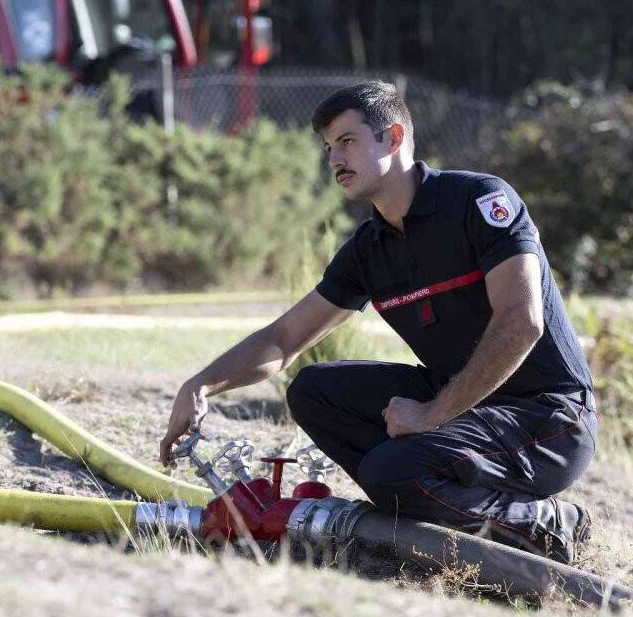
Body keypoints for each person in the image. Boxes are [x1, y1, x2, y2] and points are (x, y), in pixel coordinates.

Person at [159, 81, 598, 563]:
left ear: (392, 137)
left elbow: (522, 322)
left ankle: (541, 521)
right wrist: (201, 384)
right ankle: (425, 503)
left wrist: (431, 415)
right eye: (328, 148)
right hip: (464, 407)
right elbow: (284, 339)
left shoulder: (478, 202)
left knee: (392, 471)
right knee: (312, 391)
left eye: (347, 142)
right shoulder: (369, 250)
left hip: (548, 419)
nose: (334, 160)